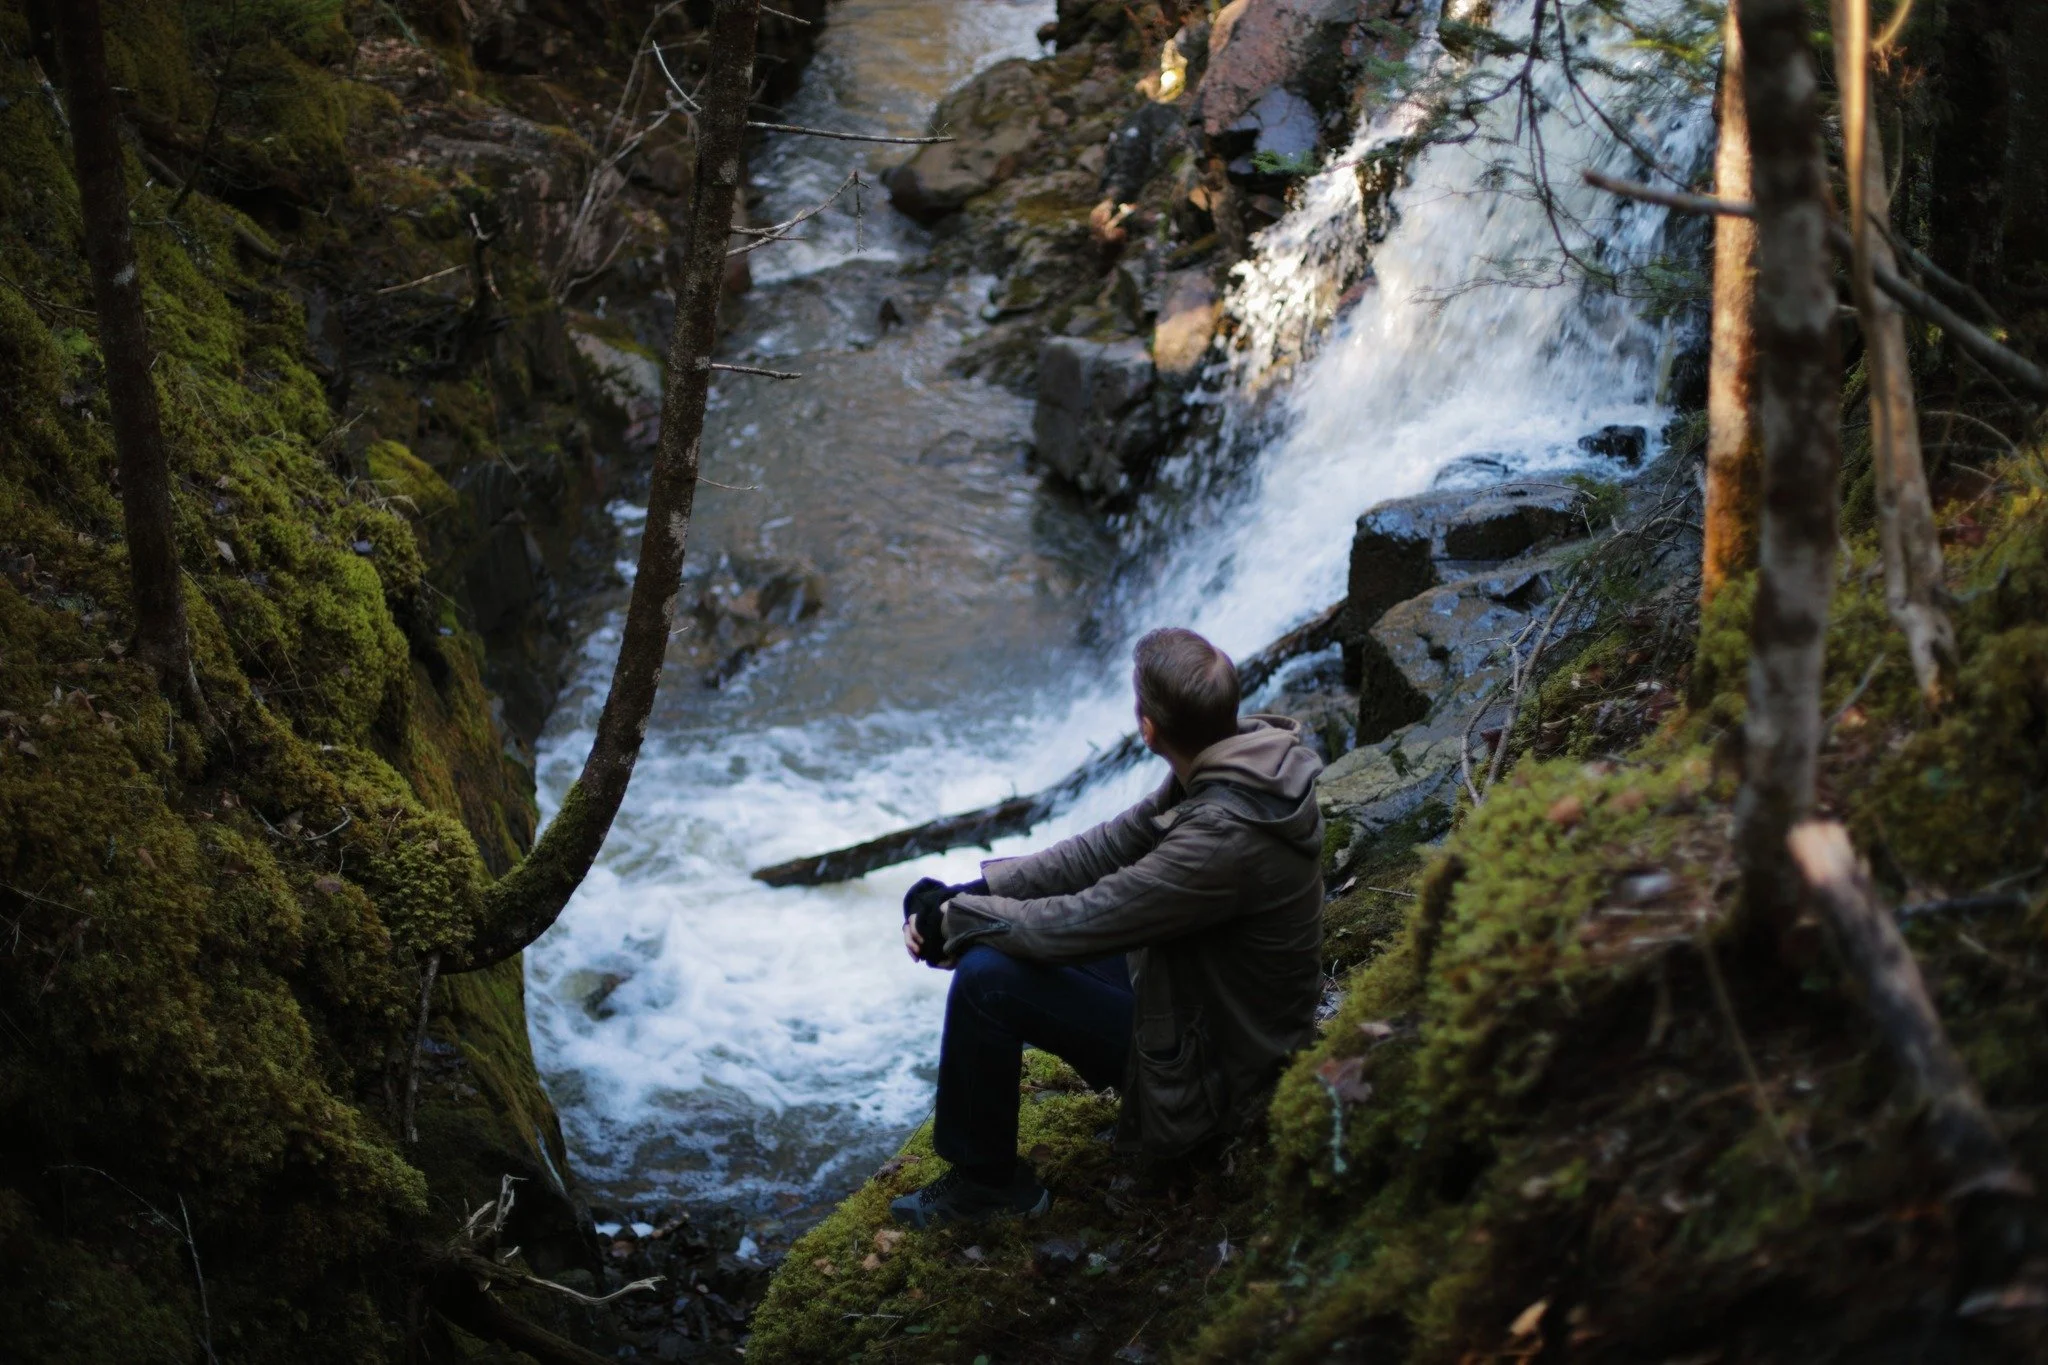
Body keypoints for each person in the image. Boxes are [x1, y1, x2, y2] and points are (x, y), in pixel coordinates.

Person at [889, 627, 1326, 1229]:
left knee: (988, 978)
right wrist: (966, 895)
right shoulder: (1239, 760)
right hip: (1203, 1001)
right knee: (995, 942)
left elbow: (1080, 921)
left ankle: (987, 1187)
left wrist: (961, 923)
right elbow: (1100, 852)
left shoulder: (1220, 837)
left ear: (1147, 728)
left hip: (1224, 1071)